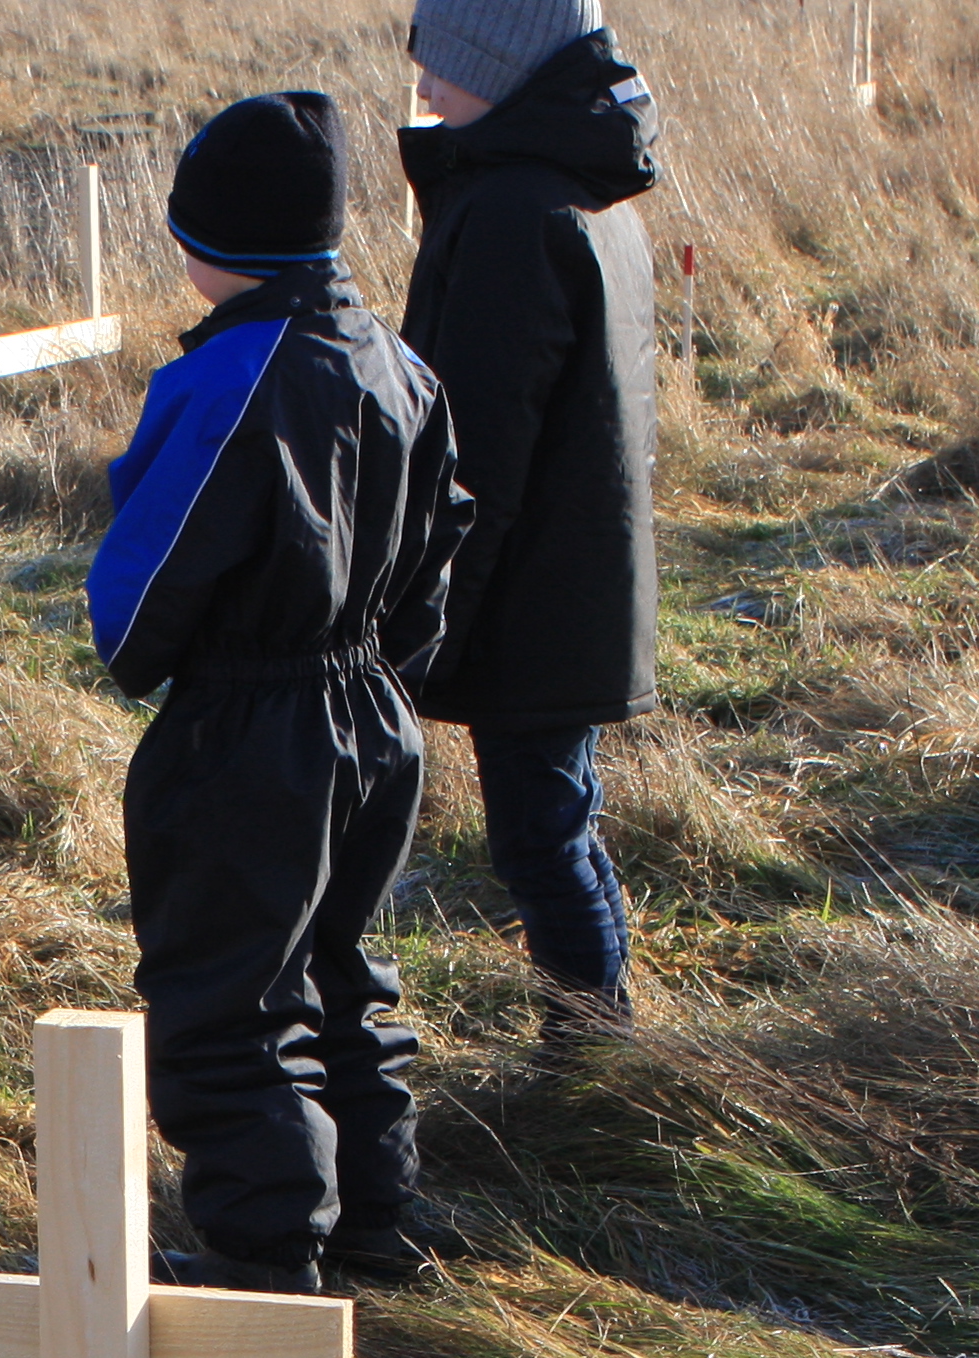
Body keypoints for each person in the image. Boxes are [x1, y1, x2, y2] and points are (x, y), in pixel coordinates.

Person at [87, 92, 470, 1293]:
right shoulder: (398, 361)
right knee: (342, 964)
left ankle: (264, 1256)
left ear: (221, 243)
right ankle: (374, 1215)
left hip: (253, 724)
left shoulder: (228, 382)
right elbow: (444, 540)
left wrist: (146, 661)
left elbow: (145, 591)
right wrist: (379, 668)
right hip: (370, 715)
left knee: (228, 992)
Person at [397, 0, 661, 1037]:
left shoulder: (515, 211)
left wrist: (430, 616)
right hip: (572, 579)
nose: (423, 89)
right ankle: (600, 1029)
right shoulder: (579, 189)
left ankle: (593, 1048)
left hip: (534, 592)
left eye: (446, 67)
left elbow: (478, 452)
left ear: (507, 71)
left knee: (541, 835)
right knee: (559, 820)